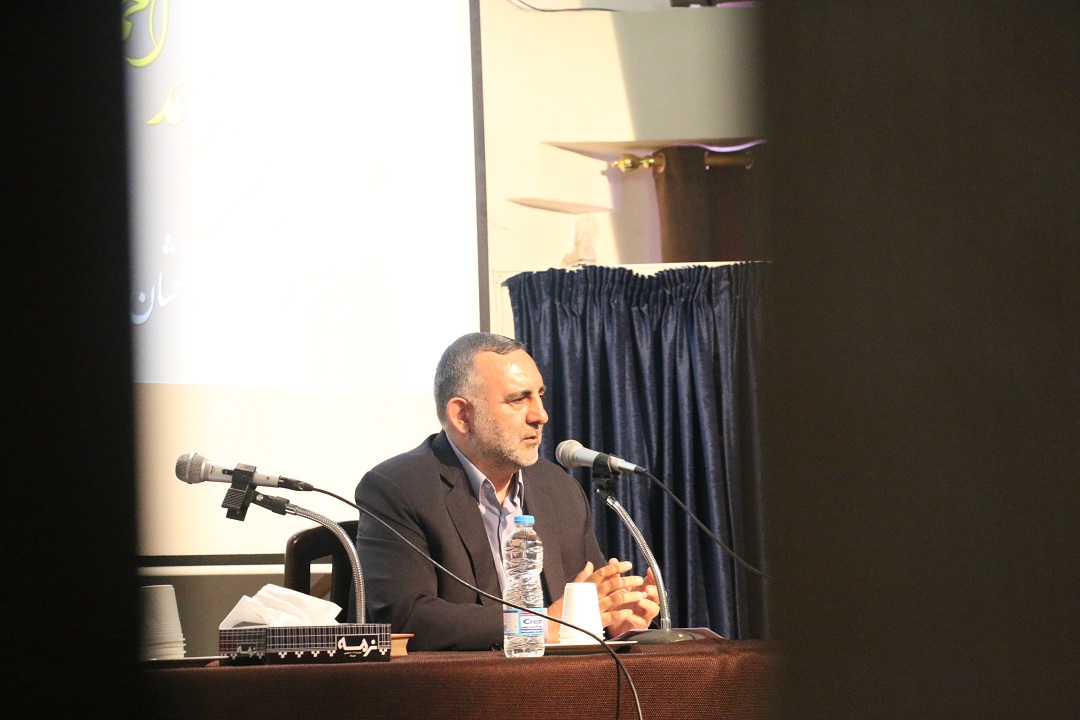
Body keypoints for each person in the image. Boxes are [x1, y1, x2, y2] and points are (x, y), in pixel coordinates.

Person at [354, 332, 659, 651]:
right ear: (462, 416)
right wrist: (540, 625)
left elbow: (585, 607)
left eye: (540, 395)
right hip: (462, 680)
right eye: (518, 399)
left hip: (559, 678)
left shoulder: (559, 489)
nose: (540, 415)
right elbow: (406, 618)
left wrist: (615, 620)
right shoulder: (398, 488)